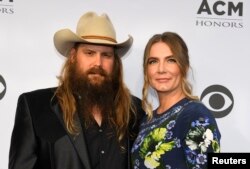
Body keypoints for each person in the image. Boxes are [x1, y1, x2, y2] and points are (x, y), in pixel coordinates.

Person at [9, 11, 144, 169]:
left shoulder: (135, 111)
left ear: (115, 62)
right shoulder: (36, 107)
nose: (98, 63)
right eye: (89, 53)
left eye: (106, 55)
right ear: (73, 56)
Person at [131, 32, 221, 169]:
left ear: (184, 67)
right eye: (153, 61)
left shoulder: (195, 115)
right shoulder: (146, 121)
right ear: (146, 70)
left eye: (171, 60)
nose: (161, 69)